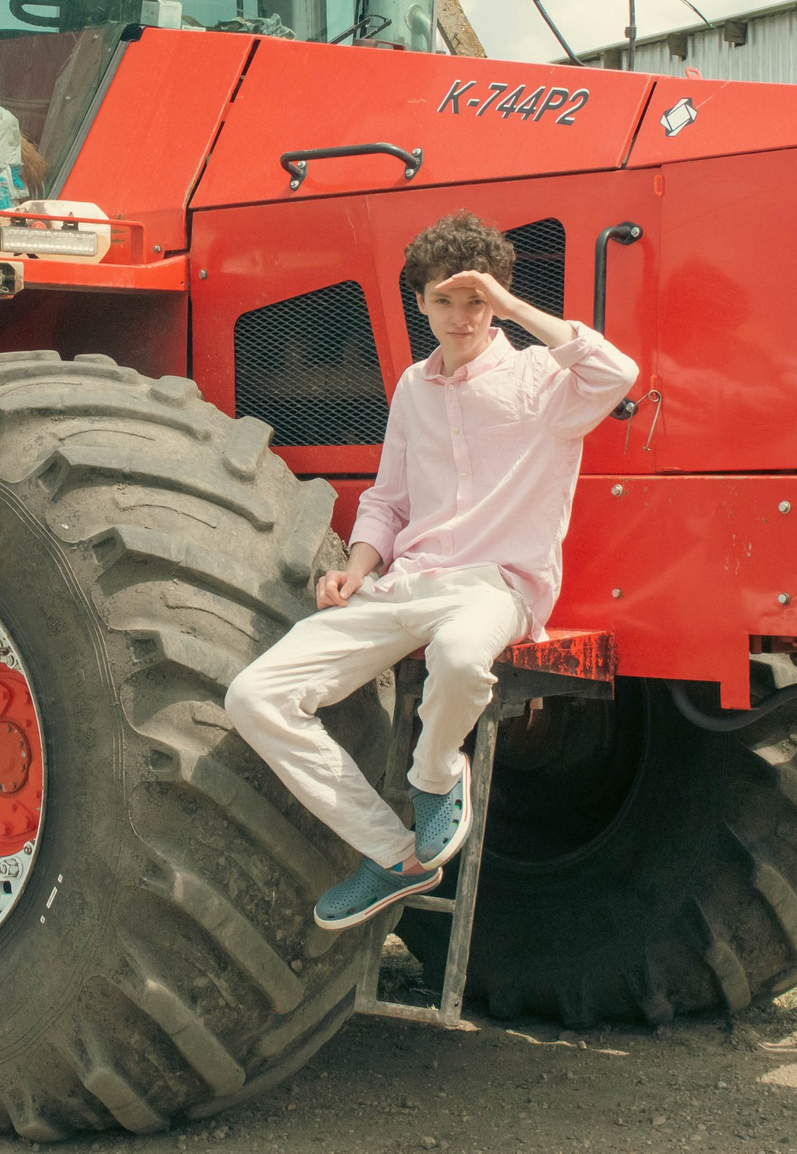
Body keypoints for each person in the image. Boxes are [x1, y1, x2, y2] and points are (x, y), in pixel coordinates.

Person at [225, 209, 640, 928]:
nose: (461, 316)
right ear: (420, 301)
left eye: (476, 300)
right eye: (445, 299)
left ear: (497, 300)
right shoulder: (412, 389)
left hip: (497, 586)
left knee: (458, 655)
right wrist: (357, 567)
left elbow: (619, 371)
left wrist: (513, 305)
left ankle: (436, 776)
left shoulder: (544, 379)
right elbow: (388, 501)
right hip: (406, 582)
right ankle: (393, 855)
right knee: (255, 696)